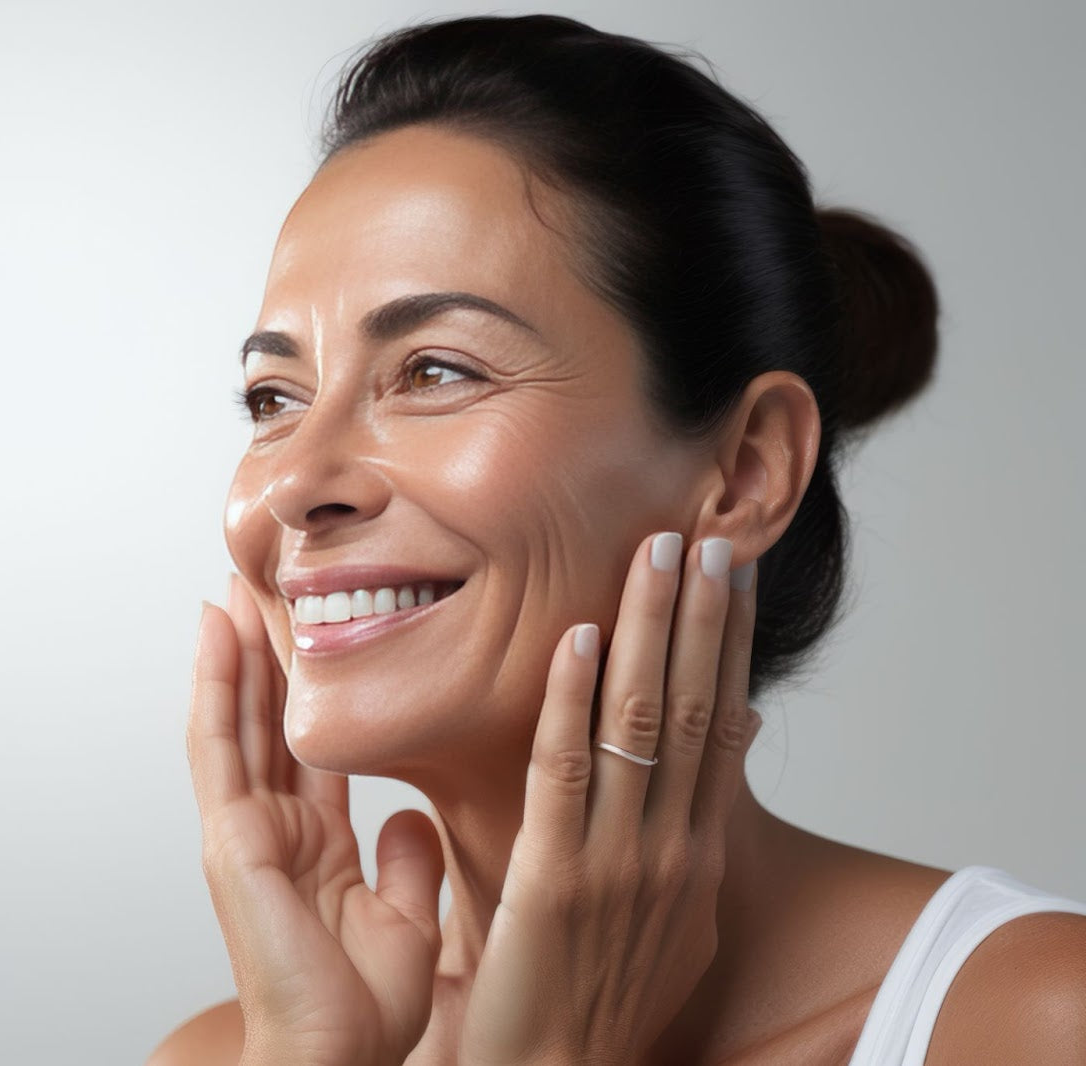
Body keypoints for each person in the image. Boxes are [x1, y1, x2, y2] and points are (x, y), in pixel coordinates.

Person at [150, 14, 1086, 1065]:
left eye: (434, 371)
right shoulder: (239, 1053)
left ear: (744, 470)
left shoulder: (1031, 1020)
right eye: (272, 395)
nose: (288, 486)